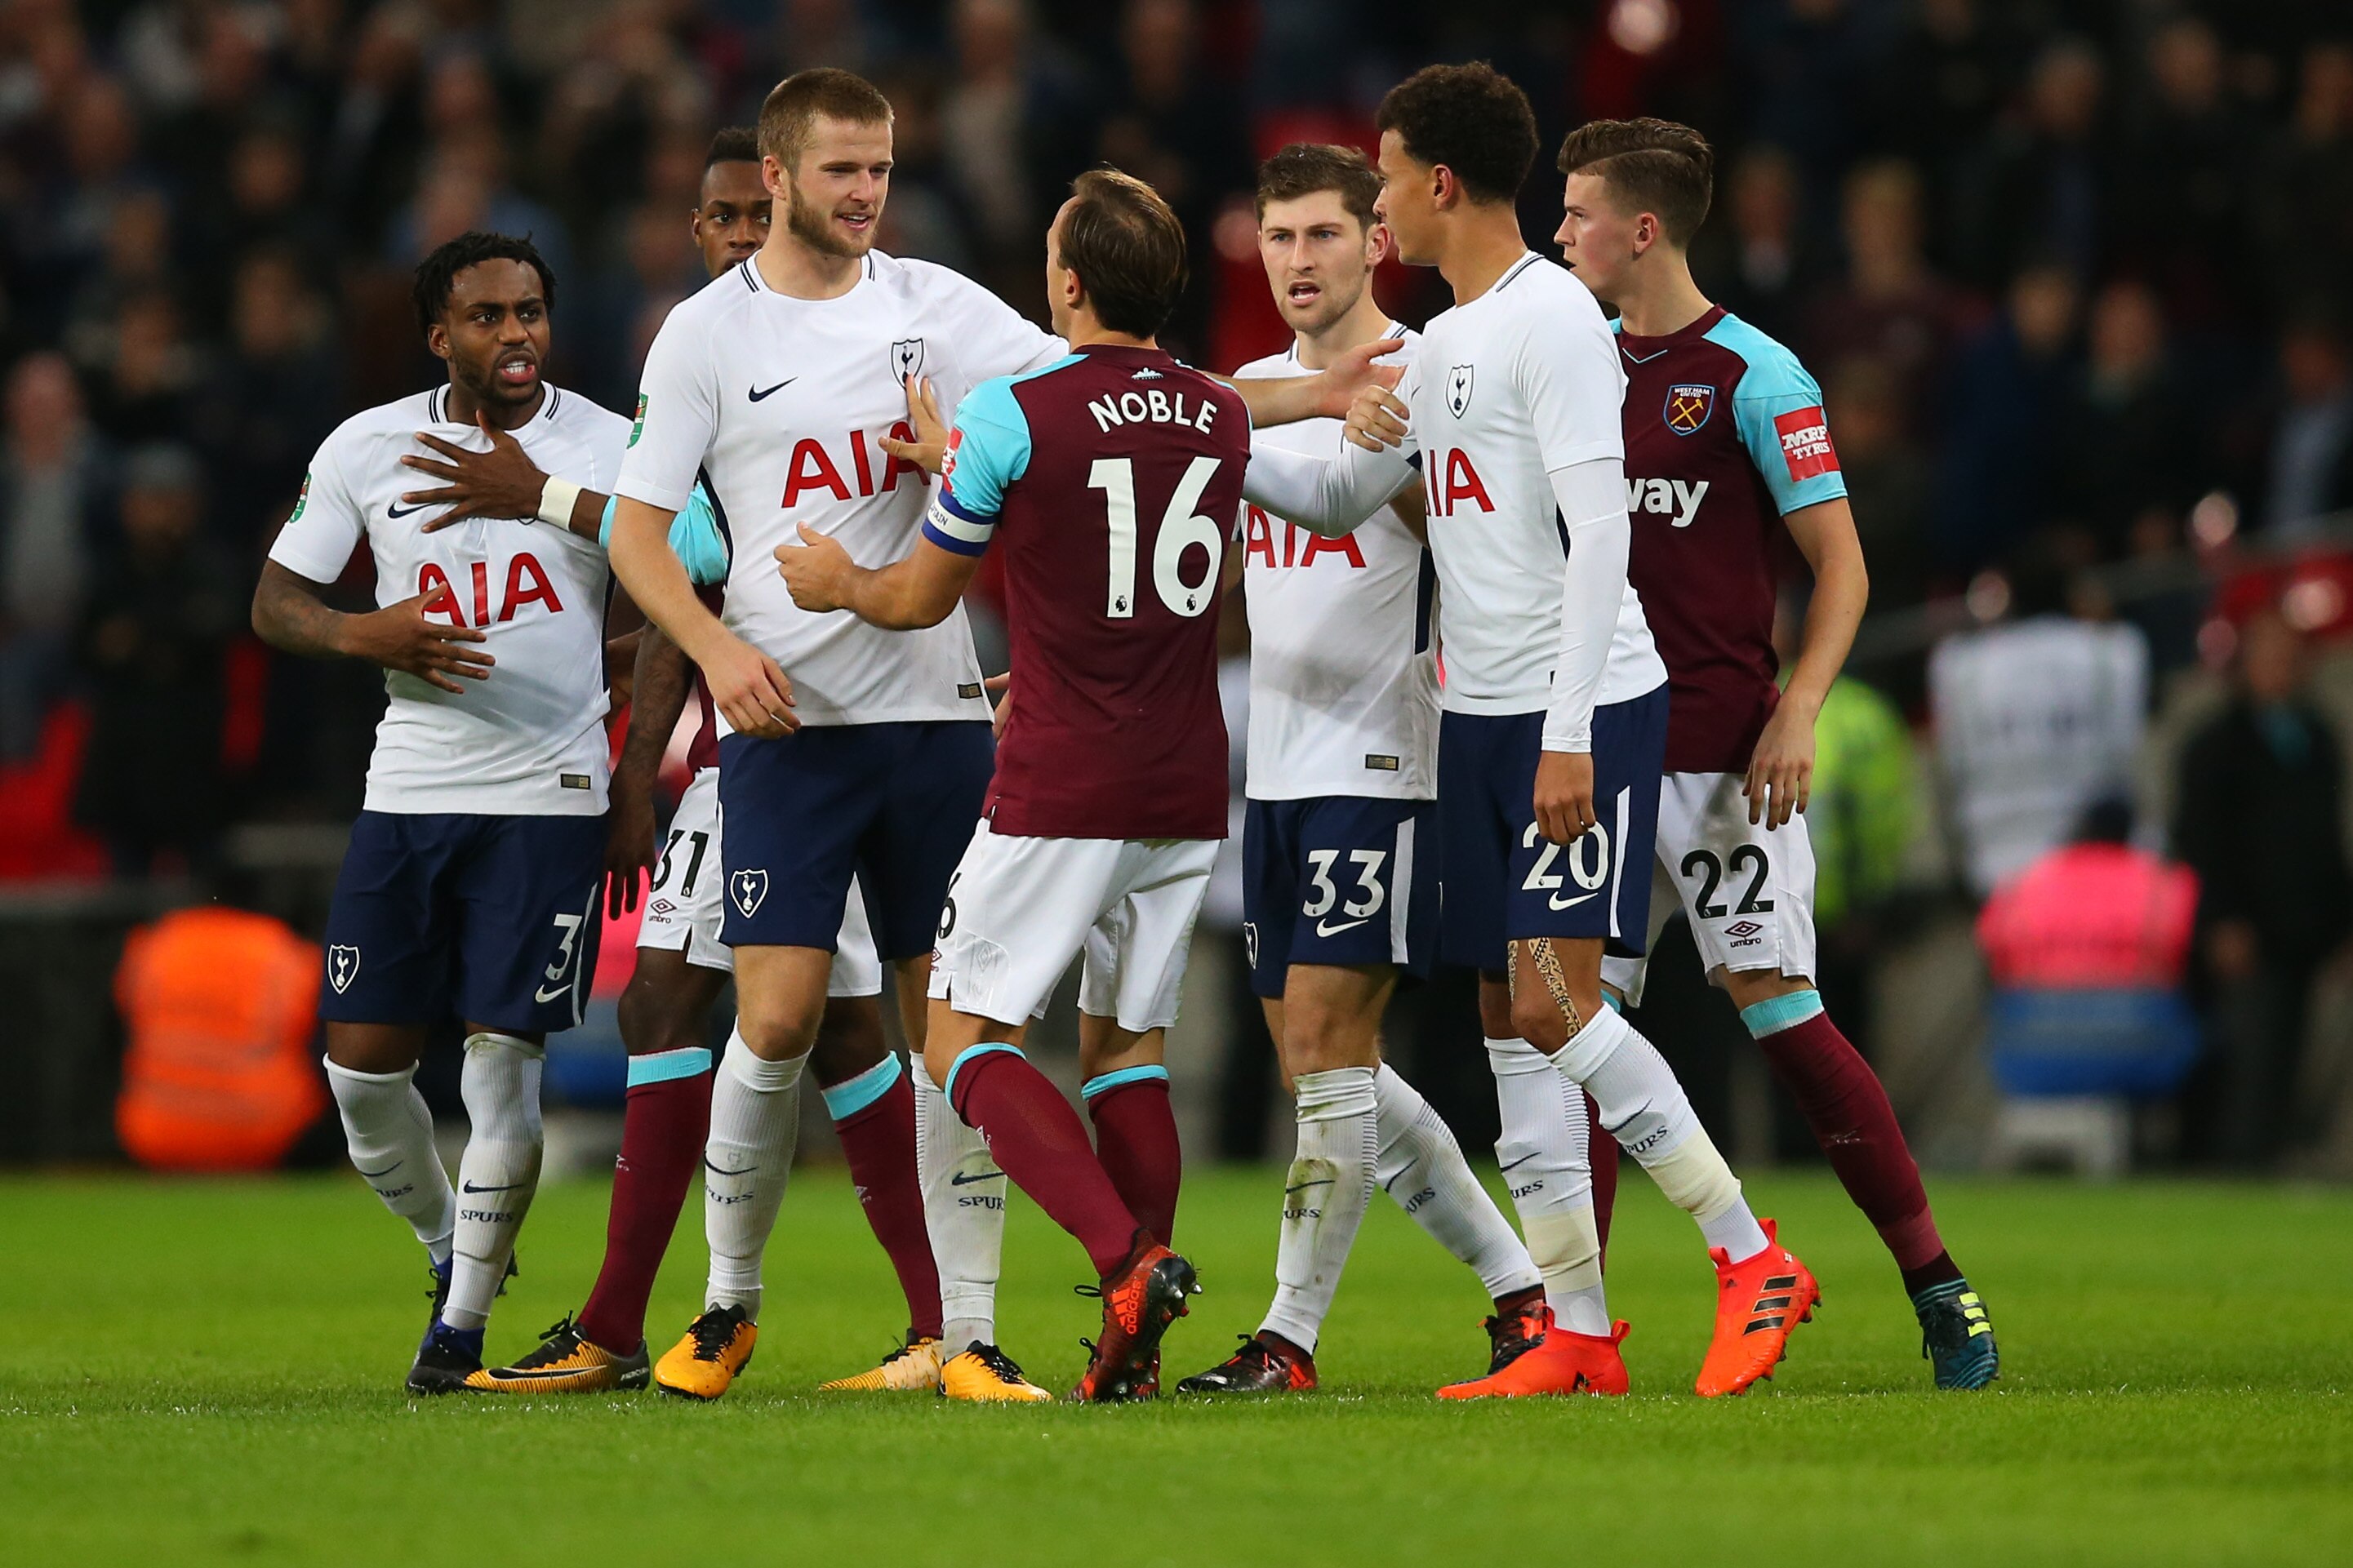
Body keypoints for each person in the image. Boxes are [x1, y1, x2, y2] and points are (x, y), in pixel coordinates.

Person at [1240, 63, 1817, 1399]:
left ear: (1436, 183)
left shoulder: (1551, 319)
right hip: (1478, 716)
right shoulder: (1441, 345)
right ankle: (1574, 1330)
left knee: (1556, 998)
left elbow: (1601, 526)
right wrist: (1185, 434)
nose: (1372, 207)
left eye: (1379, 180)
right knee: (1509, 1008)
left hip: (1582, 705)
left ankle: (1749, 1256)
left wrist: (1566, 735)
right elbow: (1335, 505)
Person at [600, 69, 1074, 1405]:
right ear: (776, 174)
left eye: (880, 170)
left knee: (955, 1035)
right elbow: (638, 535)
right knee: (778, 1018)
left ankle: (967, 1336)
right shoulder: (704, 333)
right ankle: (727, 1305)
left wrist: (1307, 396)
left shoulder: (936, 306)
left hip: (933, 724)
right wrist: (716, 651)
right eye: (842, 171)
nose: (867, 195)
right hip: (787, 732)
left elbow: (1092, 393)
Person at [456, 128, 949, 1397]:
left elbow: (687, 553)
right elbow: (671, 565)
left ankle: (652, 1319)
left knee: (708, 1007)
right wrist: (642, 769)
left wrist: (550, 503)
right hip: (752, 742)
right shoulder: (704, 352)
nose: (739, 234)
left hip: (820, 733)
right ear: (702, 227)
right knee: (803, 1024)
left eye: (752, 213)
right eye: (721, 216)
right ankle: (915, 1316)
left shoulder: (838, 351)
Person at [777, 167, 1238, 1404]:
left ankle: (1126, 1261)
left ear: (1069, 283)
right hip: (1188, 776)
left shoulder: (1015, 414)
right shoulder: (1218, 413)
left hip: (1064, 771)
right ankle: (1124, 1354)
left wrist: (834, 581)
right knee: (1126, 1050)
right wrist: (962, 462)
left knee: (959, 1039)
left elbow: (918, 598)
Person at [1550, 117, 1997, 1388]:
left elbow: (1840, 566)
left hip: (1718, 762)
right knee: (1579, 1033)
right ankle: (1576, 1330)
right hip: (1593, 757)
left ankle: (1937, 1287)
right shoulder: (1568, 361)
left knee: (1782, 1019)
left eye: (1577, 211)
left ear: (1642, 228)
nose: (1558, 231)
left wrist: (1798, 704)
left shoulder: (1755, 373)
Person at [1174, 144, 1562, 1400]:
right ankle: (1521, 1295)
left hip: (1386, 751)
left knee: (1332, 1046)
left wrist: (1198, 422)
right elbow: (1212, 583)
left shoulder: (1417, 373)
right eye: (1278, 238)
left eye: (1324, 236)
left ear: (1373, 243)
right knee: (1318, 1061)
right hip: (1275, 764)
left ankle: (1287, 1338)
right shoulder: (1246, 393)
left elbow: (1340, 503)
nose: (1298, 261)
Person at [250, 231, 629, 1393]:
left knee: (496, 1063)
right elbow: (277, 601)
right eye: (486, 317)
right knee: (362, 1074)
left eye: (530, 312)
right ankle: (451, 1250)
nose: (513, 335)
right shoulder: (369, 445)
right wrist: (365, 632)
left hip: (550, 794)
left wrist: (621, 735)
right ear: (439, 336)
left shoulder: (609, 444)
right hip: (410, 786)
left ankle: (455, 1337)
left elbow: (687, 590)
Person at [2173, 610, 2353, 1167]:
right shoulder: (2215, 743)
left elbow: (2327, 838)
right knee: (2246, 1064)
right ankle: (2232, 1175)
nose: (2281, 667)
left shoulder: (2316, 737)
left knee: (2290, 1065)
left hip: (2304, 930)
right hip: (2248, 930)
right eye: (2269, 654)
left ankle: (2269, 1171)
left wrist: (2343, 924)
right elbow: (2199, 841)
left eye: (2290, 655)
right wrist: (2221, 919)